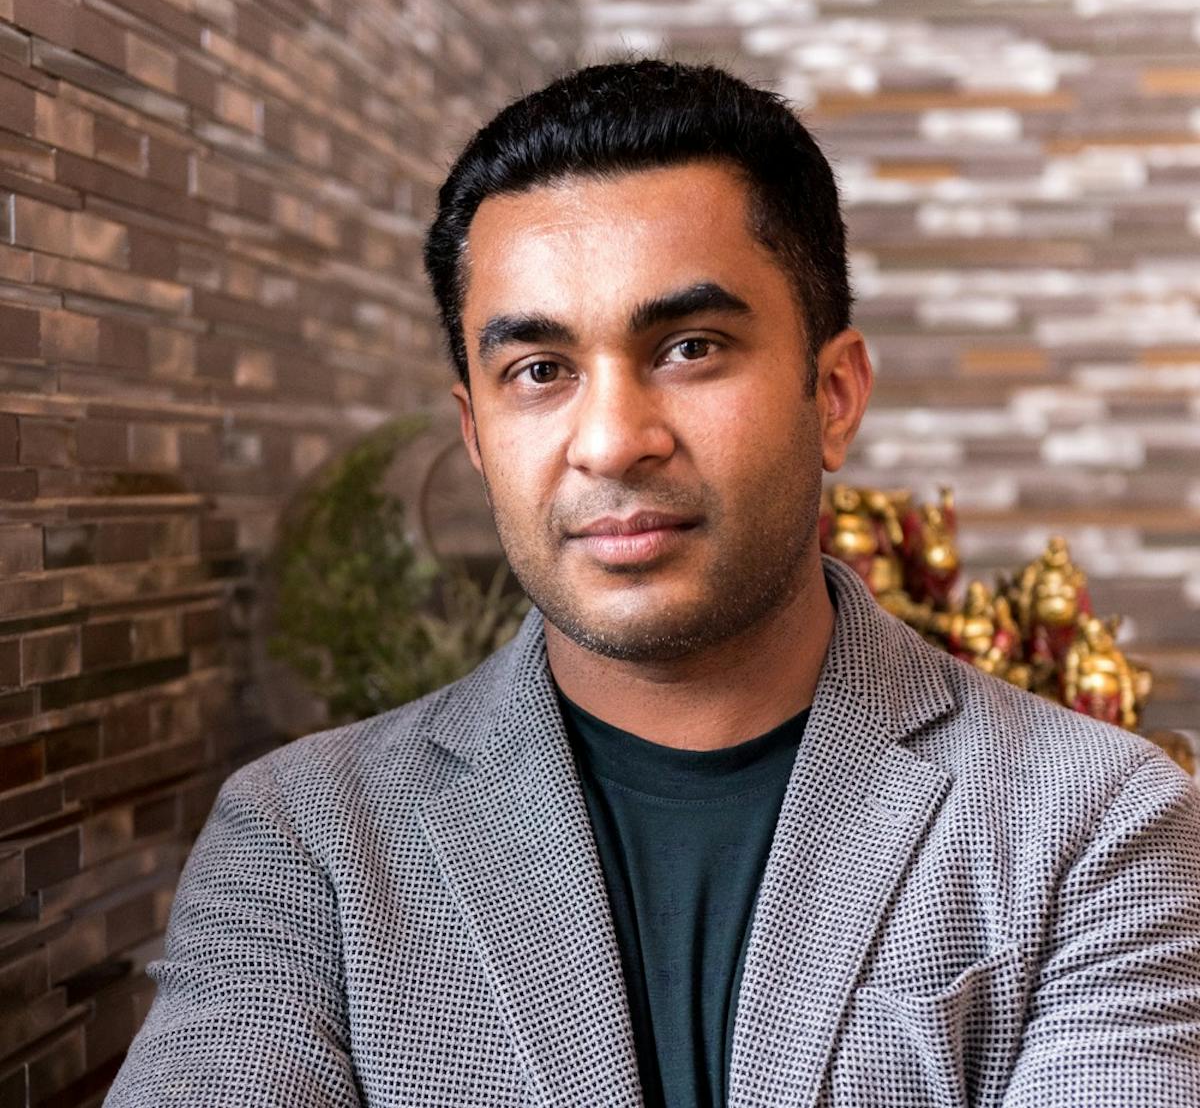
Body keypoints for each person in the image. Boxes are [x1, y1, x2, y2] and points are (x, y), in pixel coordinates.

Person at [105, 61, 1200, 1107]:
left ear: (833, 394)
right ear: (477, 432)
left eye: (689, 347)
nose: (613, 441)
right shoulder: (305, 843)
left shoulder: (1097, 825)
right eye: (539, 371)